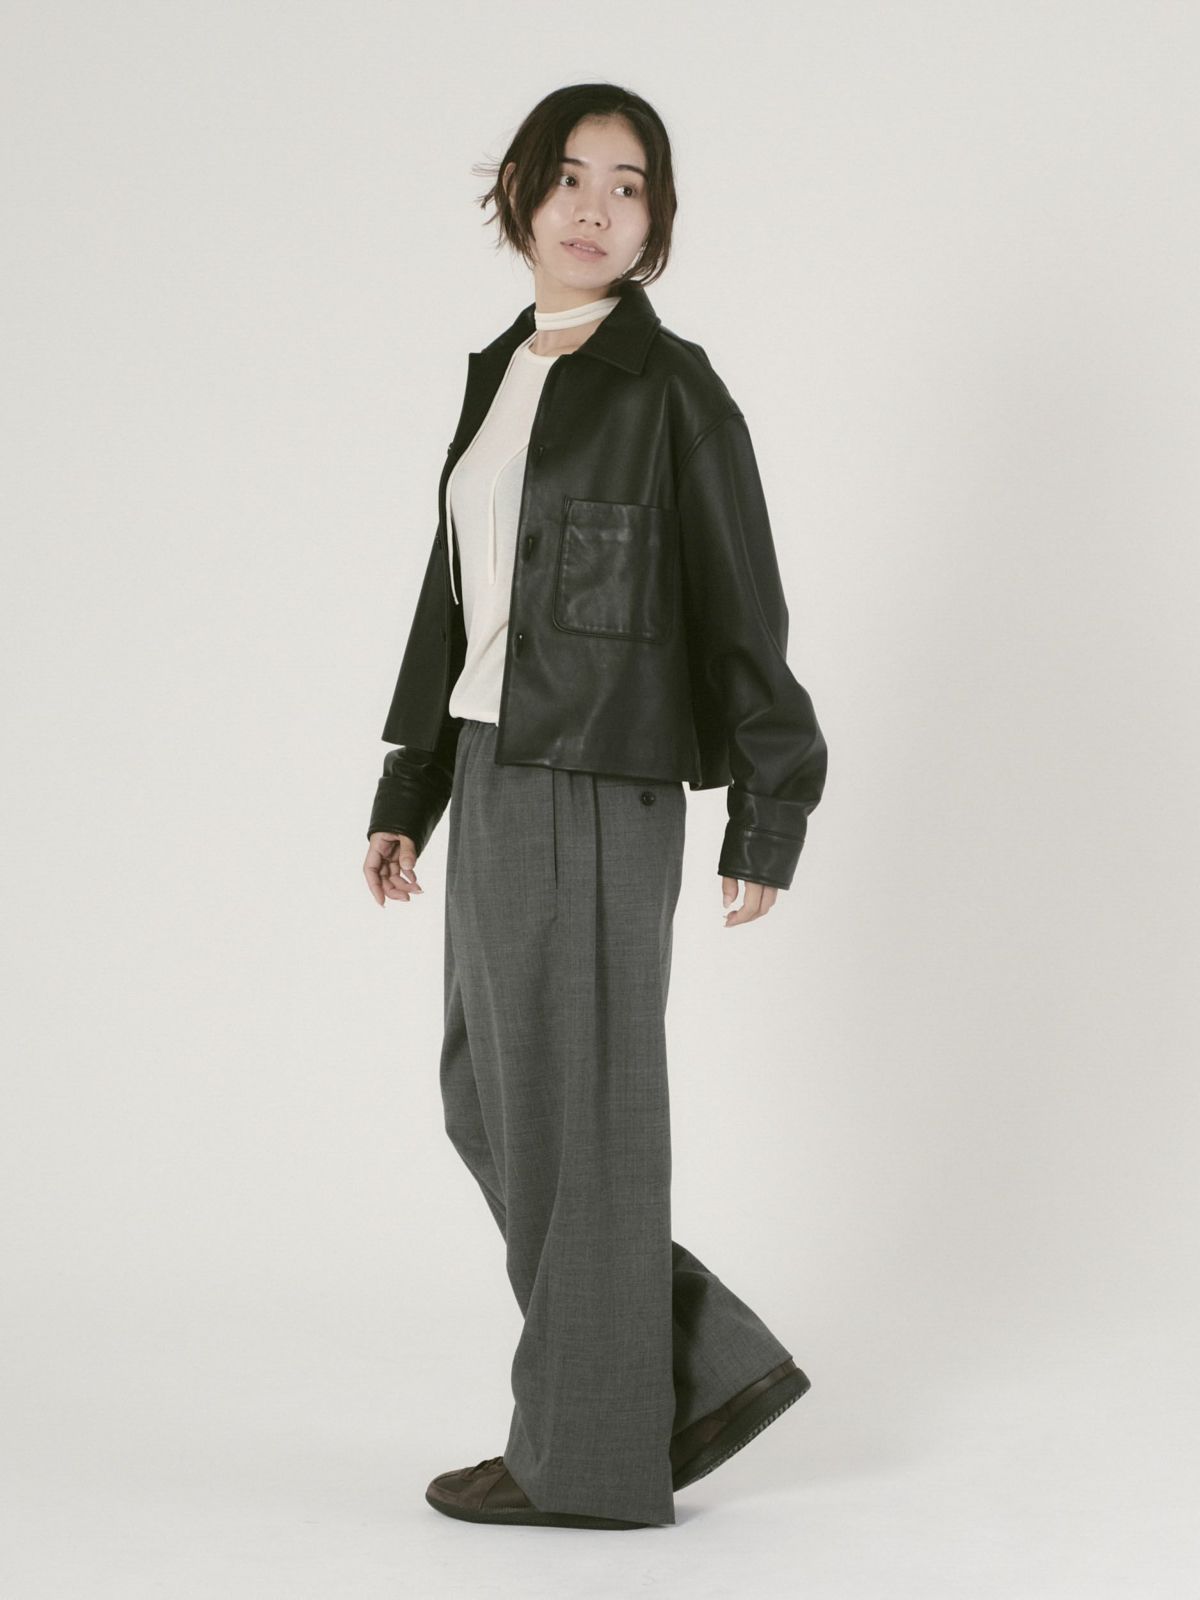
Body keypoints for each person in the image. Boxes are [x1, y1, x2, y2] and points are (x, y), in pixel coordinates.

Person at [361, 83, 828, 1531]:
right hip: (495, 767)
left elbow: (744, 602)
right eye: (569, 177)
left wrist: (769, 803)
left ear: (655, 221)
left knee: (587, 1117)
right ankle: (692, 1374)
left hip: (602, 776)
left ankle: (591, 1458)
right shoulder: (503, 373)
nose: (595, 209)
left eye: (629, 187)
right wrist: (409, 783)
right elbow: (454, 601)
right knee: (490, 1099)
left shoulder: (672, 388)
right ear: (517, 189)